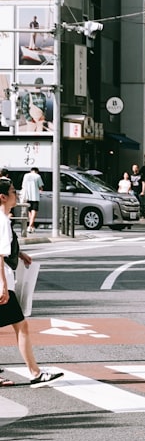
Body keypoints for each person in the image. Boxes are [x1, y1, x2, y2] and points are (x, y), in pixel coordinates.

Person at [0, 180, 62, 388]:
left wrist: (19, 254)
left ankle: (35, 372)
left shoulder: (3, 220)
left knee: (21, 325)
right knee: (22, 326)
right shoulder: (2, 221)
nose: (16, 195)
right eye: (12, 192)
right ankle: (35, 373)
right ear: (3, 197)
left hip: (4, 280)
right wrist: (2, 285)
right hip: (2, 283)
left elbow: (5, 250)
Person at [20, 166, 43, 234]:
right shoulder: (37, 176)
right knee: (34, 211)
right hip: (35, 196)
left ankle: (32, 226)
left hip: (27, 196)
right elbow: (40, 186)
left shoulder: (26, 175)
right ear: (36, 171)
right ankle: (30, 226)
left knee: (30, 211)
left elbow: (23, 185)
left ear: (31, 170)